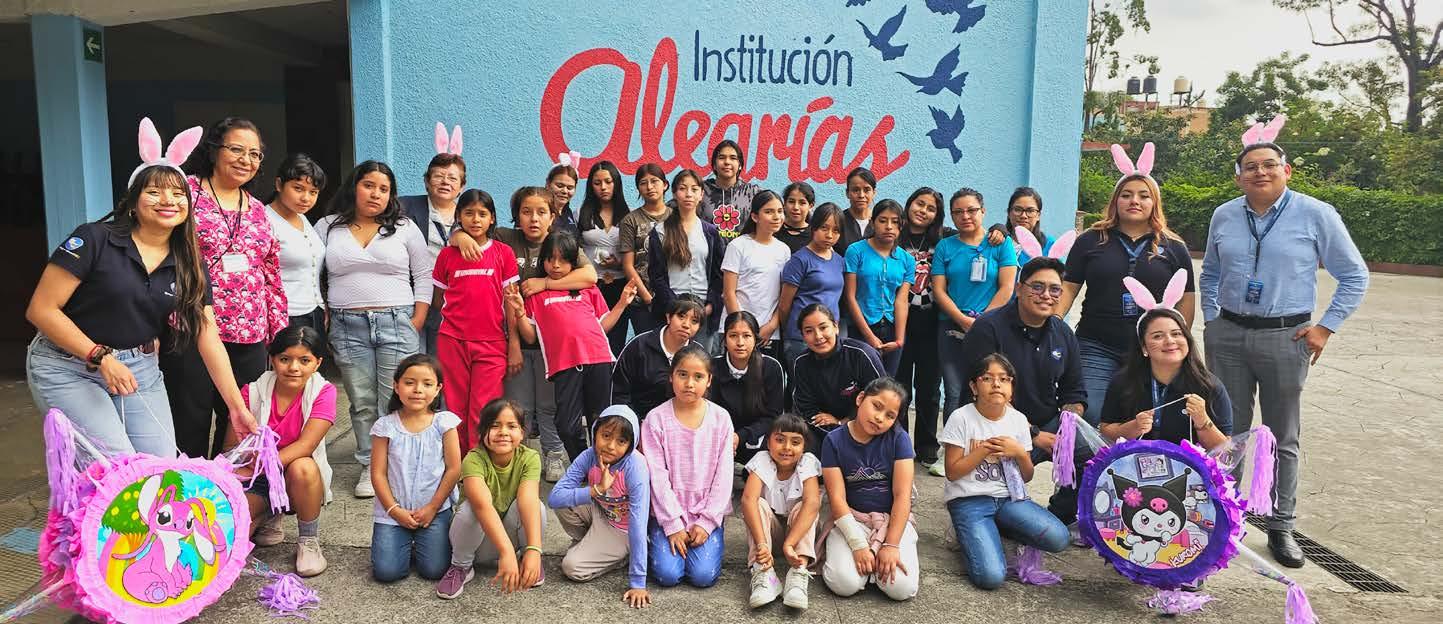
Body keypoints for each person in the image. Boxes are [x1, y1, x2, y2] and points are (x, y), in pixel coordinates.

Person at [26, 131, 257, 458]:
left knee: (160, 468)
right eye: (154, 191)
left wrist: (236, 407)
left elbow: (207, 335)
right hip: (67, 365)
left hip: (138, 367)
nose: (168, 200)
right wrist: (99, 356)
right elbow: (41, 309)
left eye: (178, 193)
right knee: (116, 465)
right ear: (133, 202)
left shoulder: (189, 262)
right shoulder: (94, 239)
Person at [1199, 125, 1368, 567]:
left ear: (1286, 170)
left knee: (1281, 435)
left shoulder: (1316, 214)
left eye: (1269, 165)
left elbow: (1354, 275)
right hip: (1229, 334)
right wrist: (1212, 320)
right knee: (1228, 431)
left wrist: (1325, 328)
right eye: (1250, 167)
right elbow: (1210, 272)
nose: (1260, 172)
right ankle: (1223, 516)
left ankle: (1280, 524)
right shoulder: (1224, 215)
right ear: (1238, 177)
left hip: (1285, 336)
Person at [453, 186, 598, 483]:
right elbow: (472, 229)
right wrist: (459, 236)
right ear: (516, 216)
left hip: (551, 344)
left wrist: (545, 283)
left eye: (542, 212)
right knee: (519, 406)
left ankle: (553, 453)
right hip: (514, 338)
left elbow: (589, 276)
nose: (534, 219)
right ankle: (520, 457)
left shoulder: (560, 243)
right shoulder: (505, 239)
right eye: (526, 212)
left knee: (549, 405)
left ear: (553, 216)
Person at [167, 117, 287, 459]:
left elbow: (271, 273)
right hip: (192, 328)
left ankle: (225, 488)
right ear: (214, 150)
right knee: (189, 421)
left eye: (255, 154)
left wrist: (278, 334)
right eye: (236, 149)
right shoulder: (185, 193)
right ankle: (187, 487)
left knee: (238, 426)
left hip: (249, 334)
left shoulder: (258, 210)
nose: (246, 160)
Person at [1057, 145, 1195, 427]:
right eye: (1126, 194)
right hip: (1096, 345)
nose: (1135, 201)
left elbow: (1187, 300)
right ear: (1116, 200)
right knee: (1091, 414)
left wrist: (1174, 342)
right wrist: (1053, 324)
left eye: (1144, 195)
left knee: (1146, 419)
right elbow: (1068, 288)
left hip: (1150, 348)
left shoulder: (1174, 247)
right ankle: (1092, 459)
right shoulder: (1091, 240)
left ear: (1154, 202)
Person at [318, 161, 432, 498]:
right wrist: (324, 309)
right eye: (369, 185)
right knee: (362, 401)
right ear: (354, 186)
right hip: (347, 326)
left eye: (384, 189)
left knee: (395, 397)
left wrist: (417, 319)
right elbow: (312, 270)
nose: (376, 194)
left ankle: (397, 463)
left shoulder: (404, 227)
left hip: (397, 321)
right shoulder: (328, 226)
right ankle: (370, 465)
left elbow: (423, 274)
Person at [957, 257, 1086, 526]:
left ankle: (1060, 515)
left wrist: (1067, 429)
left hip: (1045, 421)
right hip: (992, 426)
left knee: (1088, 453)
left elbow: (1074, 391)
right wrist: (1033, 435)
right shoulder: (989, 328)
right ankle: (978, 511)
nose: (1046, 295)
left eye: (1054, 289)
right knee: (1000, 489)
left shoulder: (1063, 333)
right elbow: (983, 396)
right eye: (1037, 287)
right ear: (1019, 288)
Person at [939, 353, 1069, 589]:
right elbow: (952, 472)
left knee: (1059, 538)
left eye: (1004, 379)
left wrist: (1019, 453)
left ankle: (995, 531)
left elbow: (1026, 476)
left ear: (1011, 388)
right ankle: (966, 534)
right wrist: (985, 449)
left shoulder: (1018, 420)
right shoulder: (961, 418)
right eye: (987, 378)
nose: (996, 384)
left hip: (1009, 500)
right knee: (990, 578)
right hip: (969, 501)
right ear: (974, 387)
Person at [508, 230, 634, 460]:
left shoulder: (588, 289)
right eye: (550, 259)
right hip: (564, 365)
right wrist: (519, 312)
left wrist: (622, 304)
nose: (556, 265)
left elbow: (603, 326)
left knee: (600, 420)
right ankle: (583, 462)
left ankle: (601, 467)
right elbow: (530, 336)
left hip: (599, 360)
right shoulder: (536, 294)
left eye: (563, 260)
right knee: (566, 424)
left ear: (573, 262)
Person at [243, 326, 335, 578]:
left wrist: (264, 463)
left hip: (295, 478)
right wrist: (247, 462)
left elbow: (307, 445)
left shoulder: (323, 392)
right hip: (258, 477)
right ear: (272, 359)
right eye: (285, 359)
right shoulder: (252, 392)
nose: (294, 367)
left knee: (303, 465)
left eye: (304, 360)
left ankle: (308, 540)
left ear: (318, 363)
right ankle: (268, 515)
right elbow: (232, 447)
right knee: (231, 534)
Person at [430, 189, 518, 454]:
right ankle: (459, 463)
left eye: (482, 214)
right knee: (455, 407)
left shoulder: (503, 253)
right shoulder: (447, 255)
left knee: (484, 408)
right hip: (453, 341)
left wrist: (513, 345)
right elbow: (438, 299)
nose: (476, 219)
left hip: (492, 342)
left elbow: (511, 303)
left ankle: (479, 461)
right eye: (469, 213)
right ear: (459, 216)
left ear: (492, 218)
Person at [641, 345, 734, 588]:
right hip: (667, 511)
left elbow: (724, 476)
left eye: (698, 377)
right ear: (671, 376)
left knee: (703, 576)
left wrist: (707, 522)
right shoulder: (655, 419)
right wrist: (672, 524)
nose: (689, 383)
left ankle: (710, 534)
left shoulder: (721, 418)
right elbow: (656, 476)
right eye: (682, 375)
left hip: (706, 510)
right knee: (667, 575)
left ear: (709, 380)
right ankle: (656, 537)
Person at [818, 377, 919, 601]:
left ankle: (880, 559)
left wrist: (891, 545)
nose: (879, 418)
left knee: (901, 589)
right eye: (876, 406)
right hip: (852, 520)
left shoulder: (899, 439)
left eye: (890, 416)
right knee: (844, 583)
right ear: (860, 398)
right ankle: (861, 560)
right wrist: (857, 545)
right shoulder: (833, 441)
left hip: (891, 521)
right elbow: (837, 498)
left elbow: (902, 496)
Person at [437, 398, 547, 598]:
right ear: (482, 432)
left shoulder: (530, 457)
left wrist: (534, 549)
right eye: (495, 426)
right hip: (477, 544)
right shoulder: (473, 459)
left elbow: (528, 500)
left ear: (522, 433)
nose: (503, 432)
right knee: (471, 509)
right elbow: (482, 506)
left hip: (509, 537)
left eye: (511, 426)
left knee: (536, 506)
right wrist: (506, 552)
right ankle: (461, 567)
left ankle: (527, 559)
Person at [932, 188, 1018, 442]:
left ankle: (986, 443)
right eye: (958, 212)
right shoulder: (945, 246)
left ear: (983, 211)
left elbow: (1007, 287)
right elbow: (939, 290)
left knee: (987, 386)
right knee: (954, 390)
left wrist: (982, 322)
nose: (965, 216)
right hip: (951, 326)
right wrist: (962, 319)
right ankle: (953, 446)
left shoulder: (1000, 244)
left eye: (971, 210)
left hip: (991, 328)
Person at [369, 354, 462, 582]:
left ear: (438, 389)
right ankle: (403, 543)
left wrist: (432, 507)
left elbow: (453, 469)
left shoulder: (444, 423)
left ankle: (416, 542)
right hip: (393, 511)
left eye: (427, 384)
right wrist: (394, 510)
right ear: (396, 386)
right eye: (409, 382)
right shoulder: (385, 426)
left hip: (434, 510)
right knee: (386, 572)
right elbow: (378, 474)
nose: (418, 390)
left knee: (435, 570)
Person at [548, 405, 653, 609]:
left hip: (623, 530)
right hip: (600, 511)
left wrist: (638, 582)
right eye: (606, 436)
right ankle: (589, 543)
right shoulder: (589, 456)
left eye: (621, 441)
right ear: (595, 432)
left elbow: (638, 524)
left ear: (631, 445)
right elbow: (554, 498)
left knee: (572, 567)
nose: (611, 446)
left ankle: (621, 557)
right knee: (564, 503)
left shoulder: (635, 467)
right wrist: (596, 489)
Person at [1101, 308, 1233, 448]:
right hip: (1134, 460)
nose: (1170, 341)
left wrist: (1203, 421)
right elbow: (1105, 432)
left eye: (1176, 334)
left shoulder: (1209, 386)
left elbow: (1224, 449)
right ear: (1144, 347)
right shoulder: (1123, 382)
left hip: (1189, 462)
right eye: (1158, 336)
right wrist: (1134, 427)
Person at [895, 187, 951, 468]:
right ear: (909, 204)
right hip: (900, 322)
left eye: (931, 208)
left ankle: (927, 445)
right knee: (899, 386)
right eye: (920, 204)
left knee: (929, 388)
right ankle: (899, 443)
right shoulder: (894, 234)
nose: (923, 211)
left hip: (932, 323)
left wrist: (999, 230)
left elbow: (976, 236)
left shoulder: (945, 239)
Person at [741, 413, 821, 610]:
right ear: (769, 443)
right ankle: (764, 573)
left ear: (804, 447)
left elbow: (812, 503)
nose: (787, 447)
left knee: (804, 507)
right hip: (770, 536)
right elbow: (748, 500)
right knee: (758, 504)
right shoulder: (762, 460)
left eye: (795, 442)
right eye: (780, 440)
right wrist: (762, 544)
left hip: (799, 537)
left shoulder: (807, 462)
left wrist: (790, 543)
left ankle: (798, 573)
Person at [400, 151, 466, 354]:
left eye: (452, 178)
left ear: (462, 186)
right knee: (412, 361)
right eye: (438, 176)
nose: (445, 182)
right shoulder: (403, 207)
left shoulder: (469, 215)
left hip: (449, 301)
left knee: (441, 363)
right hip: (413, 298)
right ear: (427, 181)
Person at [790, 304, 884, 446]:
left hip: (866, 427)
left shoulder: (862, 354)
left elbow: (882, 398)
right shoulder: (801, 363)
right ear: (802, 336)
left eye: (823, 327)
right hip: (824, 430)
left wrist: (844, 422)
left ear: (836, 327)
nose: (818, 336)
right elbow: (806, 408)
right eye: (809, 331)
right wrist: (834, 429)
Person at [842, 199, 915, 375]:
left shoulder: (907, 259)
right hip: (861, 327)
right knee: (862, 381)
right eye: (883, 220)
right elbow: (850, 296)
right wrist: (869, 337)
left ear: (901, 225)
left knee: (887, 383)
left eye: (895, 222)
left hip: (892, 328)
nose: (889, 227)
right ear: (872, 222)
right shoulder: (855, 251)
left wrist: (899, 340)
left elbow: (901, 301)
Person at [649, 169, 724, 338]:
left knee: (701, 355)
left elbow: (718, 275)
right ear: (674, 193)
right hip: (672, 310)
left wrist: (709, 307)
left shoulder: (710, 232)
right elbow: (656, 275)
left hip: (703, 310)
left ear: (701, 194)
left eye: (694, 189)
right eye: (682, 189)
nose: (688, 194)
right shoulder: (660, 231)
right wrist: (674, 308)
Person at [611, 297, 706, 422]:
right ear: (669, 317)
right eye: (681, 317)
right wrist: (633, 424)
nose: (686, 325)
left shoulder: (699, 354)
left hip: (683, 423)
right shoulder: (639, 346)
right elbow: (619, 392)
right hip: (639, 421)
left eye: (694, 321)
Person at [777, 203, 846, 372]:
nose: (829, 235)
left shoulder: (839, 261)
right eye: (824, 228)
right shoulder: (799, 260)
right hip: (801, 338)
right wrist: (793, 331)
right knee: (801, 383)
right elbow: (784, 305)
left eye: (836, 230)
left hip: (830, 336)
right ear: (813, 228)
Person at [710, 311, 785, 464]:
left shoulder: (771, 367)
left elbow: (773, 417)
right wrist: (727, 438)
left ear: (755, 339)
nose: (740, 342)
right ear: (724, 340)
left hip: (758, 437)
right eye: (733, 336)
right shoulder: (712, 367)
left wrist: (741, 436)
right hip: (720, 438)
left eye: (746, 336)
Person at [722, 190, 791, 354]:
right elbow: (729, 293)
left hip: (769, 332)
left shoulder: (784, 250)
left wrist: (773, 325)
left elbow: (783, 295)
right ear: (754, 217)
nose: (777, 217)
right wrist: (742, 329)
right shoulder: (738, 246)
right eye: (769, 212)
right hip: (738, 331)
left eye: (780, 211)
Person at [265, 154, 327, 333]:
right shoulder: (264, 220)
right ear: (279, 185)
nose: (306, 198)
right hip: (284, 316)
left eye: (313, 192)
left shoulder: (302, 218)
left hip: (315, 311)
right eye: (298, 189)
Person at [578, 160, 632, 354]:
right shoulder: (580, 214)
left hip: (620, 285)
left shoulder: (628, 215)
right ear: (590, 186)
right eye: (597, 183)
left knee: (615, 342)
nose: (603, 187)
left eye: (608, 182)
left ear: (616, 183)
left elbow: (634, 254)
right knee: (589, 338)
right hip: (590, 285)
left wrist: (619, 264)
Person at [619, 166, 672, 336]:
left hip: (674, 298)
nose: (649, 187)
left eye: (654, 181)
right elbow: (628, 265)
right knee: (647, 348)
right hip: (642, 302)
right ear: (638, 188)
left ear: (665, 185)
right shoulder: (630, 220)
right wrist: (648, 298)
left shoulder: (676, 217)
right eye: (643, 183)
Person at [699, 139, 760, 241]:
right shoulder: (701, 190)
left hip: (742, 251)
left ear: (740, 165)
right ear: (714, 165)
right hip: (708, 250)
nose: (727, 162)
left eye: (733, 158)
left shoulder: (752, 192)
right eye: (722, 157)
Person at [985, 187, 1052, 266]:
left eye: (1030, 211)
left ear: (1038, 215)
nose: (1023, 216)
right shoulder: (996, 239)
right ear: (1009, 213)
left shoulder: (1049, 245)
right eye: (1018, 210)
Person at [837, 167, 876, 253]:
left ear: (874, 193)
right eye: (856, 190)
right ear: (847, 193)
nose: (861, 195)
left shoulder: (880, 221)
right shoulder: (838, 221)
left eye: (867, 190)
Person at [777, 182, 815, 253]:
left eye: (802, 203)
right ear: (784, 204)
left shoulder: (815, 236)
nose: (796, 207)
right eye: (791, 201)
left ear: (810, 206)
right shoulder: (774, 229)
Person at [546, 161, 580, 234]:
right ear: (548, 184)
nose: (565, 191)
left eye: (570, 188)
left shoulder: (567, 212)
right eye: (559, 186)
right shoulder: (541, 212)